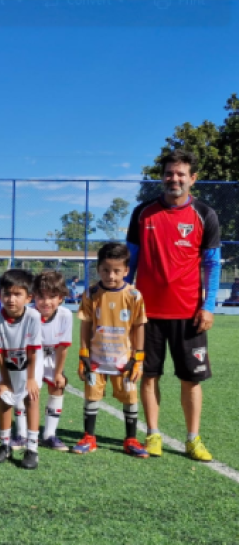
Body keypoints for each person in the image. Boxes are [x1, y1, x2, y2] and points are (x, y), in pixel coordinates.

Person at [127, 149, 221, 462]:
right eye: (169, 173)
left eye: (181, 174)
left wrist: (208, 306)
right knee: (149, 375)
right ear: (162, 176)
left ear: (192, 179)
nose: (174, 179)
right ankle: (152, 434)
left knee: (191, 379)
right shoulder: (143, 213)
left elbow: (212, 264)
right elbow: (130, 263)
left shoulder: (205, 214)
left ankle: (193, 439)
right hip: (147, 314)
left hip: (189, 314)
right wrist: (125, 302)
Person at [73, 243, 148, 459]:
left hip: (124, 359)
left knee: (130, 397)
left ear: (126, 270)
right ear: (98, 269)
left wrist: (138, 358)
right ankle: (89, 437)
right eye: (105, 270)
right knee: (91, 396)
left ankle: (131, 440)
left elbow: (139, 326)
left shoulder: (134, 295)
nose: (111, 276)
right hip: (96, 359)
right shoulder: (92, 293)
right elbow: (85, 324)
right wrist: (83, 354)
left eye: (116, 271)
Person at [0, 270, 43, 470]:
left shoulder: (33, 316)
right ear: (0, 294)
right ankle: (5, 445)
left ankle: (32, 448)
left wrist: (30, 379)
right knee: (4, 397)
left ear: (28, 297)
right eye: (7, 293)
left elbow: (32, 350)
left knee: (31, 397)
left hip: (31, 363)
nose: (11, 299)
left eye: (17, 294)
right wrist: (4, 380)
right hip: (8, 362)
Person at [32, 271, 73, 452]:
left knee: (57, 386)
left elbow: (63, 347)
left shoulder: (65, 315)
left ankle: (49, 435)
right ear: (34, 296)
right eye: (41, 296)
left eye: (52, 296)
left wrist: (58, 372)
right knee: (30, 391)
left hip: (53, 356)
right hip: (33, 357)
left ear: (61, 298)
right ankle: (24, 434)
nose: (46, 302)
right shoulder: (29, 314)